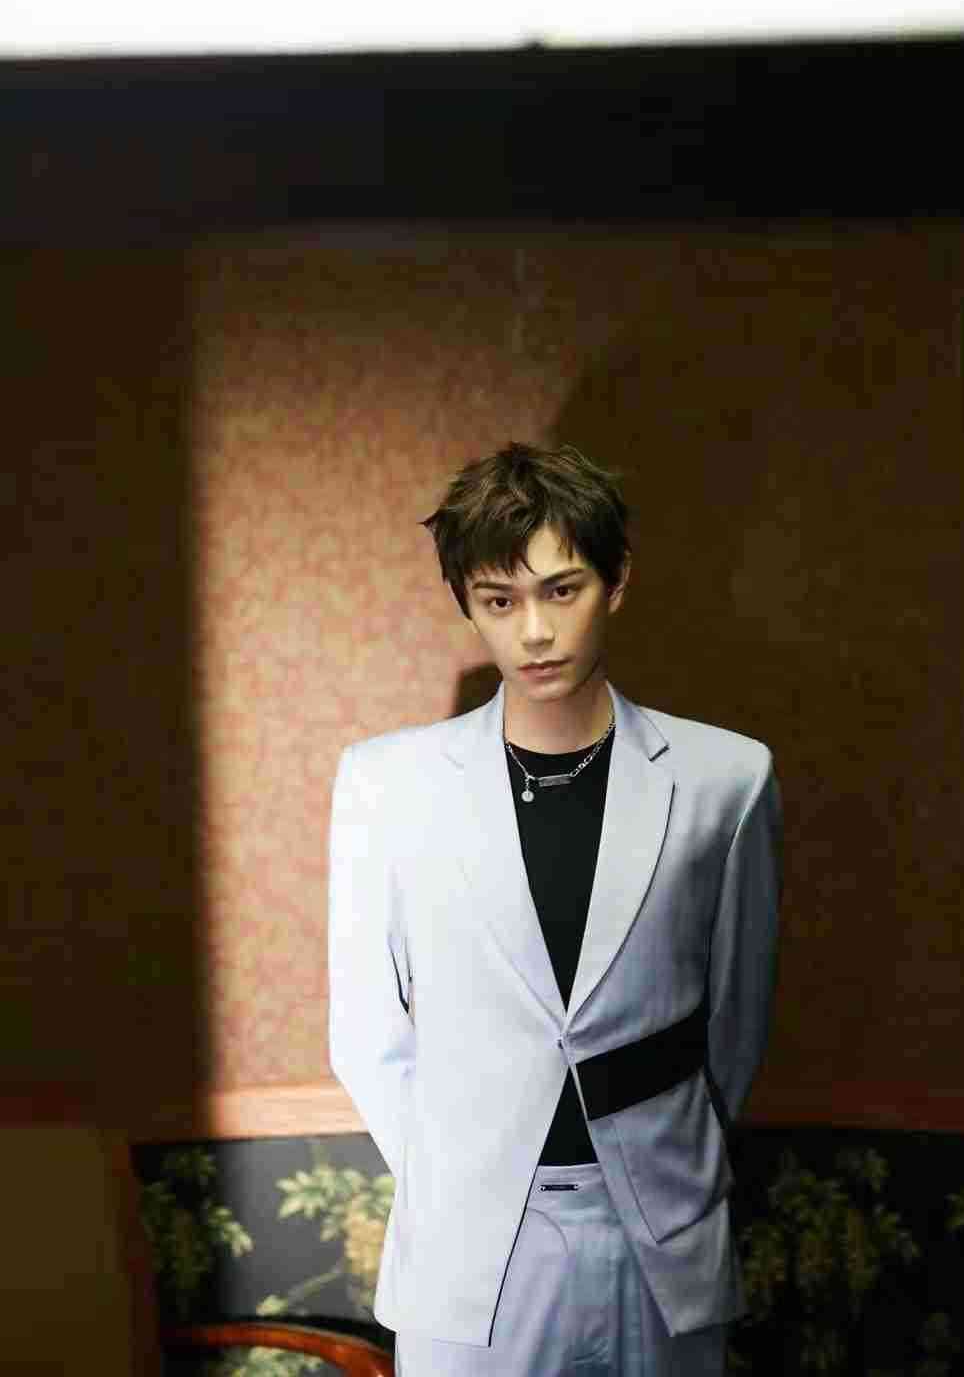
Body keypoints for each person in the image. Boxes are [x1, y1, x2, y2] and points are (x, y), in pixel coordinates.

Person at [328, 441, 783, 1376]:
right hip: (468, 1248)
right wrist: (458, 1176)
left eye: (561, 590)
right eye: (500, 601)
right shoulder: (386, 784)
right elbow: (366, 1031)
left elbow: (735, 1025)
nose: (534, 631)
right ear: (468, 606)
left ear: (617, 582)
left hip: (663, 1229)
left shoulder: (727, 779)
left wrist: (673, 1161)